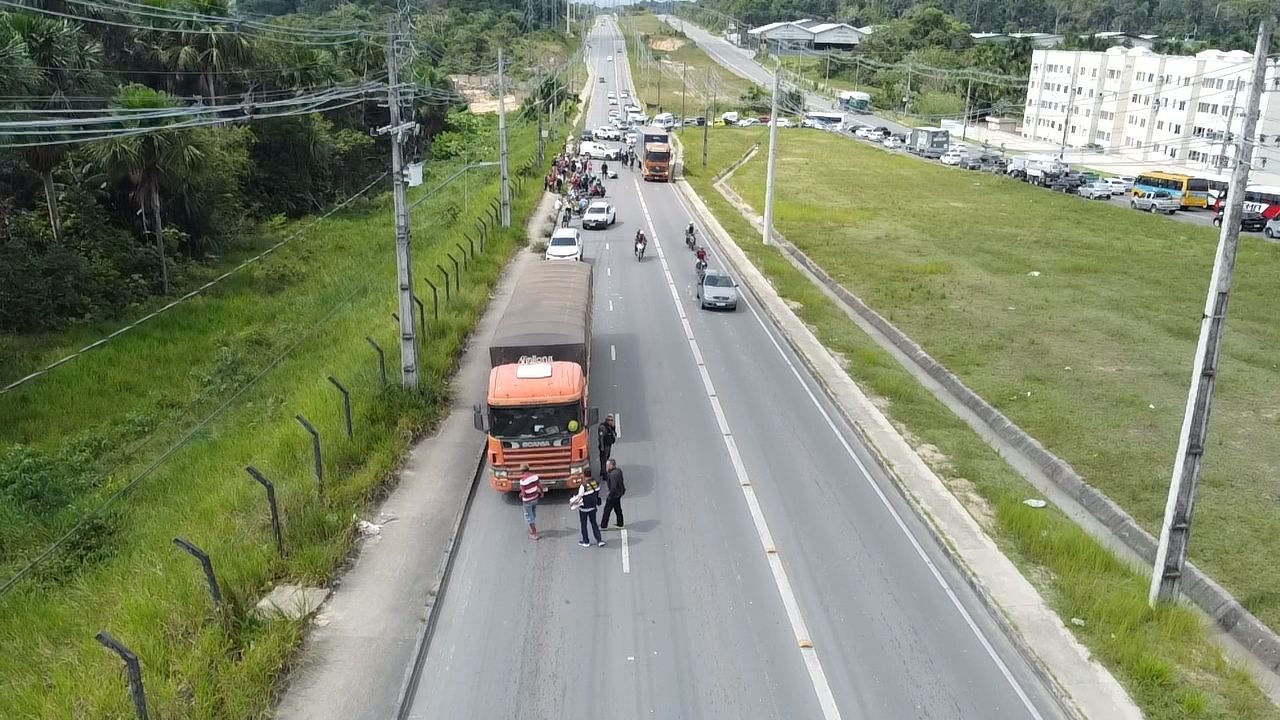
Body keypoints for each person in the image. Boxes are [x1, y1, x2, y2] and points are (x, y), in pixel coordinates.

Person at [571, 479, 604, 547]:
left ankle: (586, 541)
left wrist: (572, 503)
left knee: (584, 525)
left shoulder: (583, 486)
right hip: (593, 507)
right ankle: (599, 540)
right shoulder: (596, 483)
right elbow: (596, 493)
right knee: (594, 523)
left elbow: (579, 499)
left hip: (584, 509)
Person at [518, 464, 545, 541]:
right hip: (535, 498)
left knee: (529, 517)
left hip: (527, 501)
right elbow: (540, 486)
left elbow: (524, 494)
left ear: (522, 471)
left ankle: (534, 533)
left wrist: (520, 495)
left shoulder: (522, 481)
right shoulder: (535, 476)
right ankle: (532, 523)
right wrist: (542, 493)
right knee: (533, 512)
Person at [600, 458, 625, 530]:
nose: (606, 467)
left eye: (607, 465)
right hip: (619, 493)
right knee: (618, 509)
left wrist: (610, 495)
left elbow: (613, 487)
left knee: (607, 510)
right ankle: (620, 523)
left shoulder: (612, 474)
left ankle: (603, 526)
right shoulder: (618, 471)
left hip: (613, 495)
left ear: (611, 465)